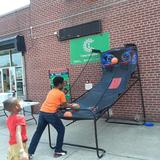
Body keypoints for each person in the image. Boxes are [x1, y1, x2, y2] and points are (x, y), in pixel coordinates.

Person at [28, 76, 74, 159]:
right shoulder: (61, 93)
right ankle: (58, 151)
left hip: (42, 113)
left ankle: (29, 153)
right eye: (63, 83)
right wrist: (72, 105)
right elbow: (64, 105)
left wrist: (60, 105)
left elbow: (54, 103)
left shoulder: (51, 91)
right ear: (60, 84)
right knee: (61, 129)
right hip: (50, 114)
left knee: (38, 133)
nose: (64, 84)